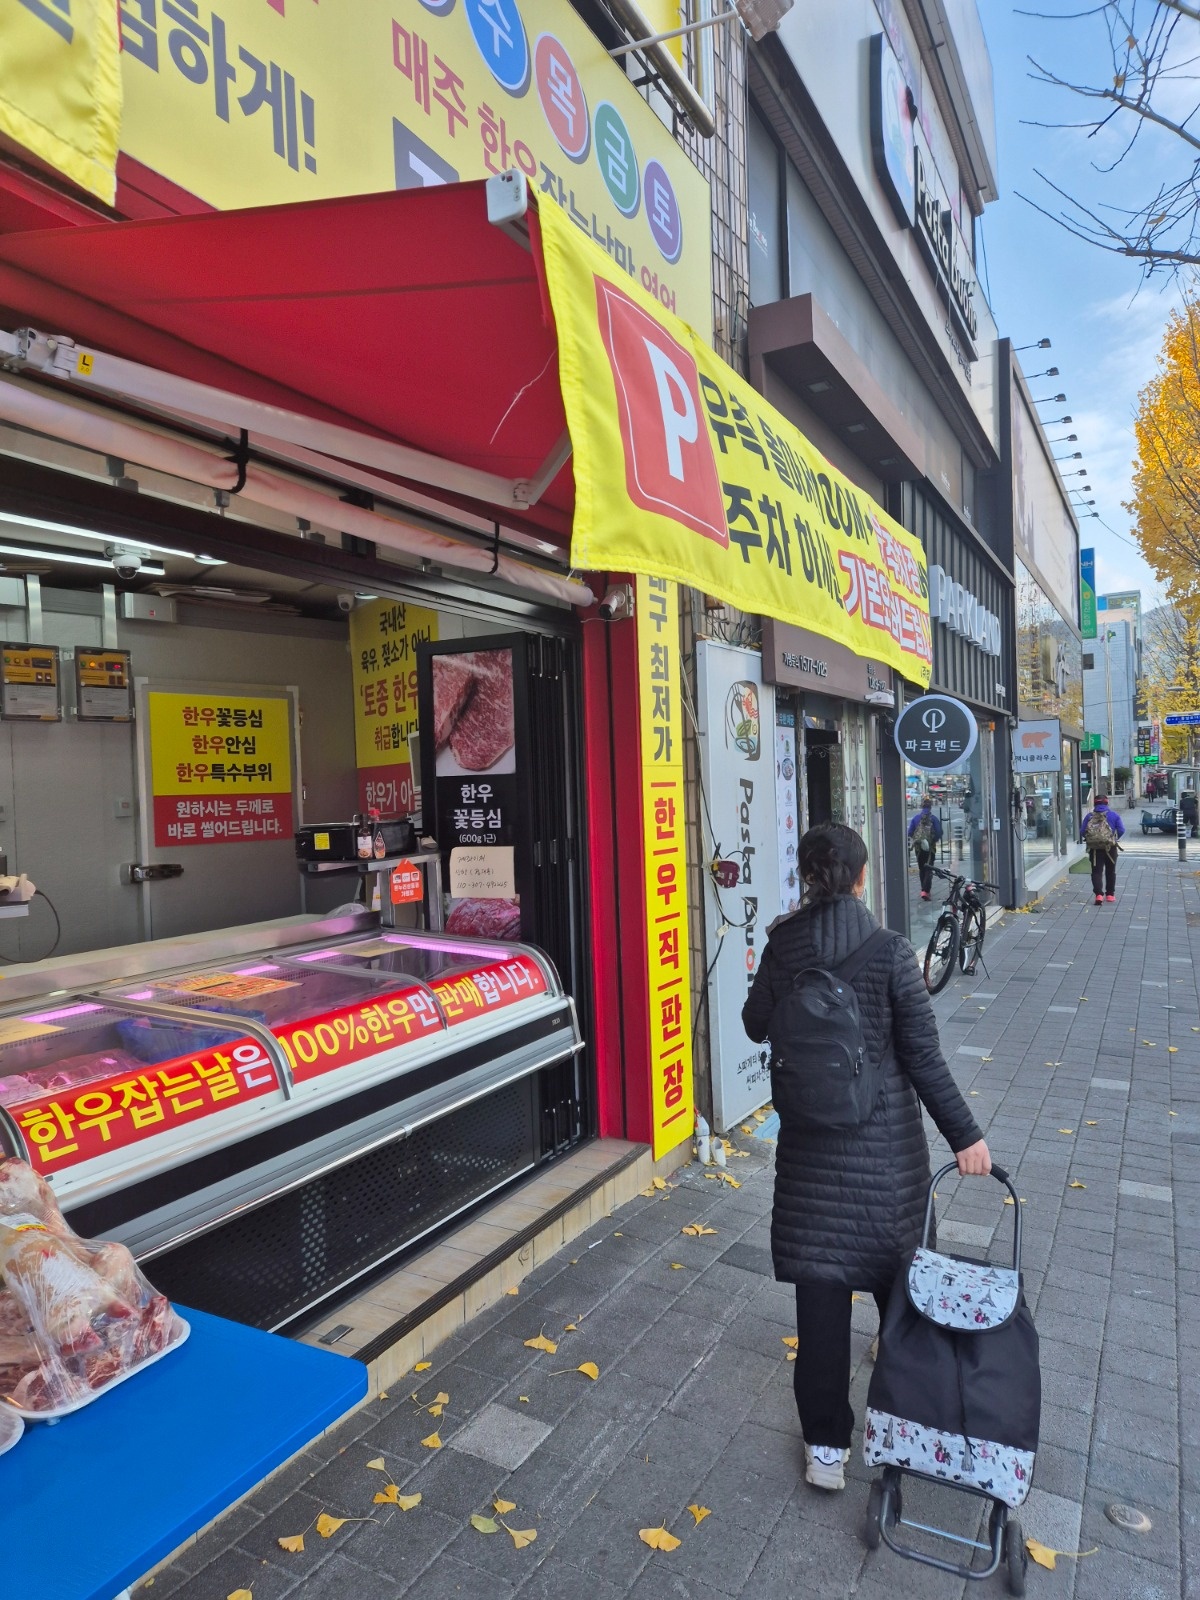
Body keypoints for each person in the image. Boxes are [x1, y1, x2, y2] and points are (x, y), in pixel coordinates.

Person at [741, 823, 990, 1493]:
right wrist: (966, 1137)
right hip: (886, 1160)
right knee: (902, 1297)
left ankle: (826, 1451)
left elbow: (753, 1023)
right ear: (859, 877)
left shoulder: (784, 944)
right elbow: (924, 1058)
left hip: (809, 1159)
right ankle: (909, 1431)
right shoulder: (888, 952)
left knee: (820, 1310)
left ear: (808, 876)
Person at [1080, 792, 1124, 903]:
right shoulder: (1114, 815)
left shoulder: (1089, 816)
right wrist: (1114, 838)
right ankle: (1110, 895)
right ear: (1107, 803)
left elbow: (1082, 831)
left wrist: (1091, 839)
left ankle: (1098, 895)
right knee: (1110, 871)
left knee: (1096, 871)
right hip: (1111, 847)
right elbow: (1122, 830)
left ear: (1094, 804)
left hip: (1095, 849)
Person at [906, 795, 942, 899]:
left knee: (922, 868)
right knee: (929, 868)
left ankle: (923, 889)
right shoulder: (934, 819)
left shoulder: (916, 818)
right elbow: (939, 832)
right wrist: (933, 840)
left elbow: (910, 832)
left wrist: (918, 840)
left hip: (919, 848)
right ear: (930, 807)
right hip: (930, 848)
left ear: (922, 807)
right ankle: (926, 891)